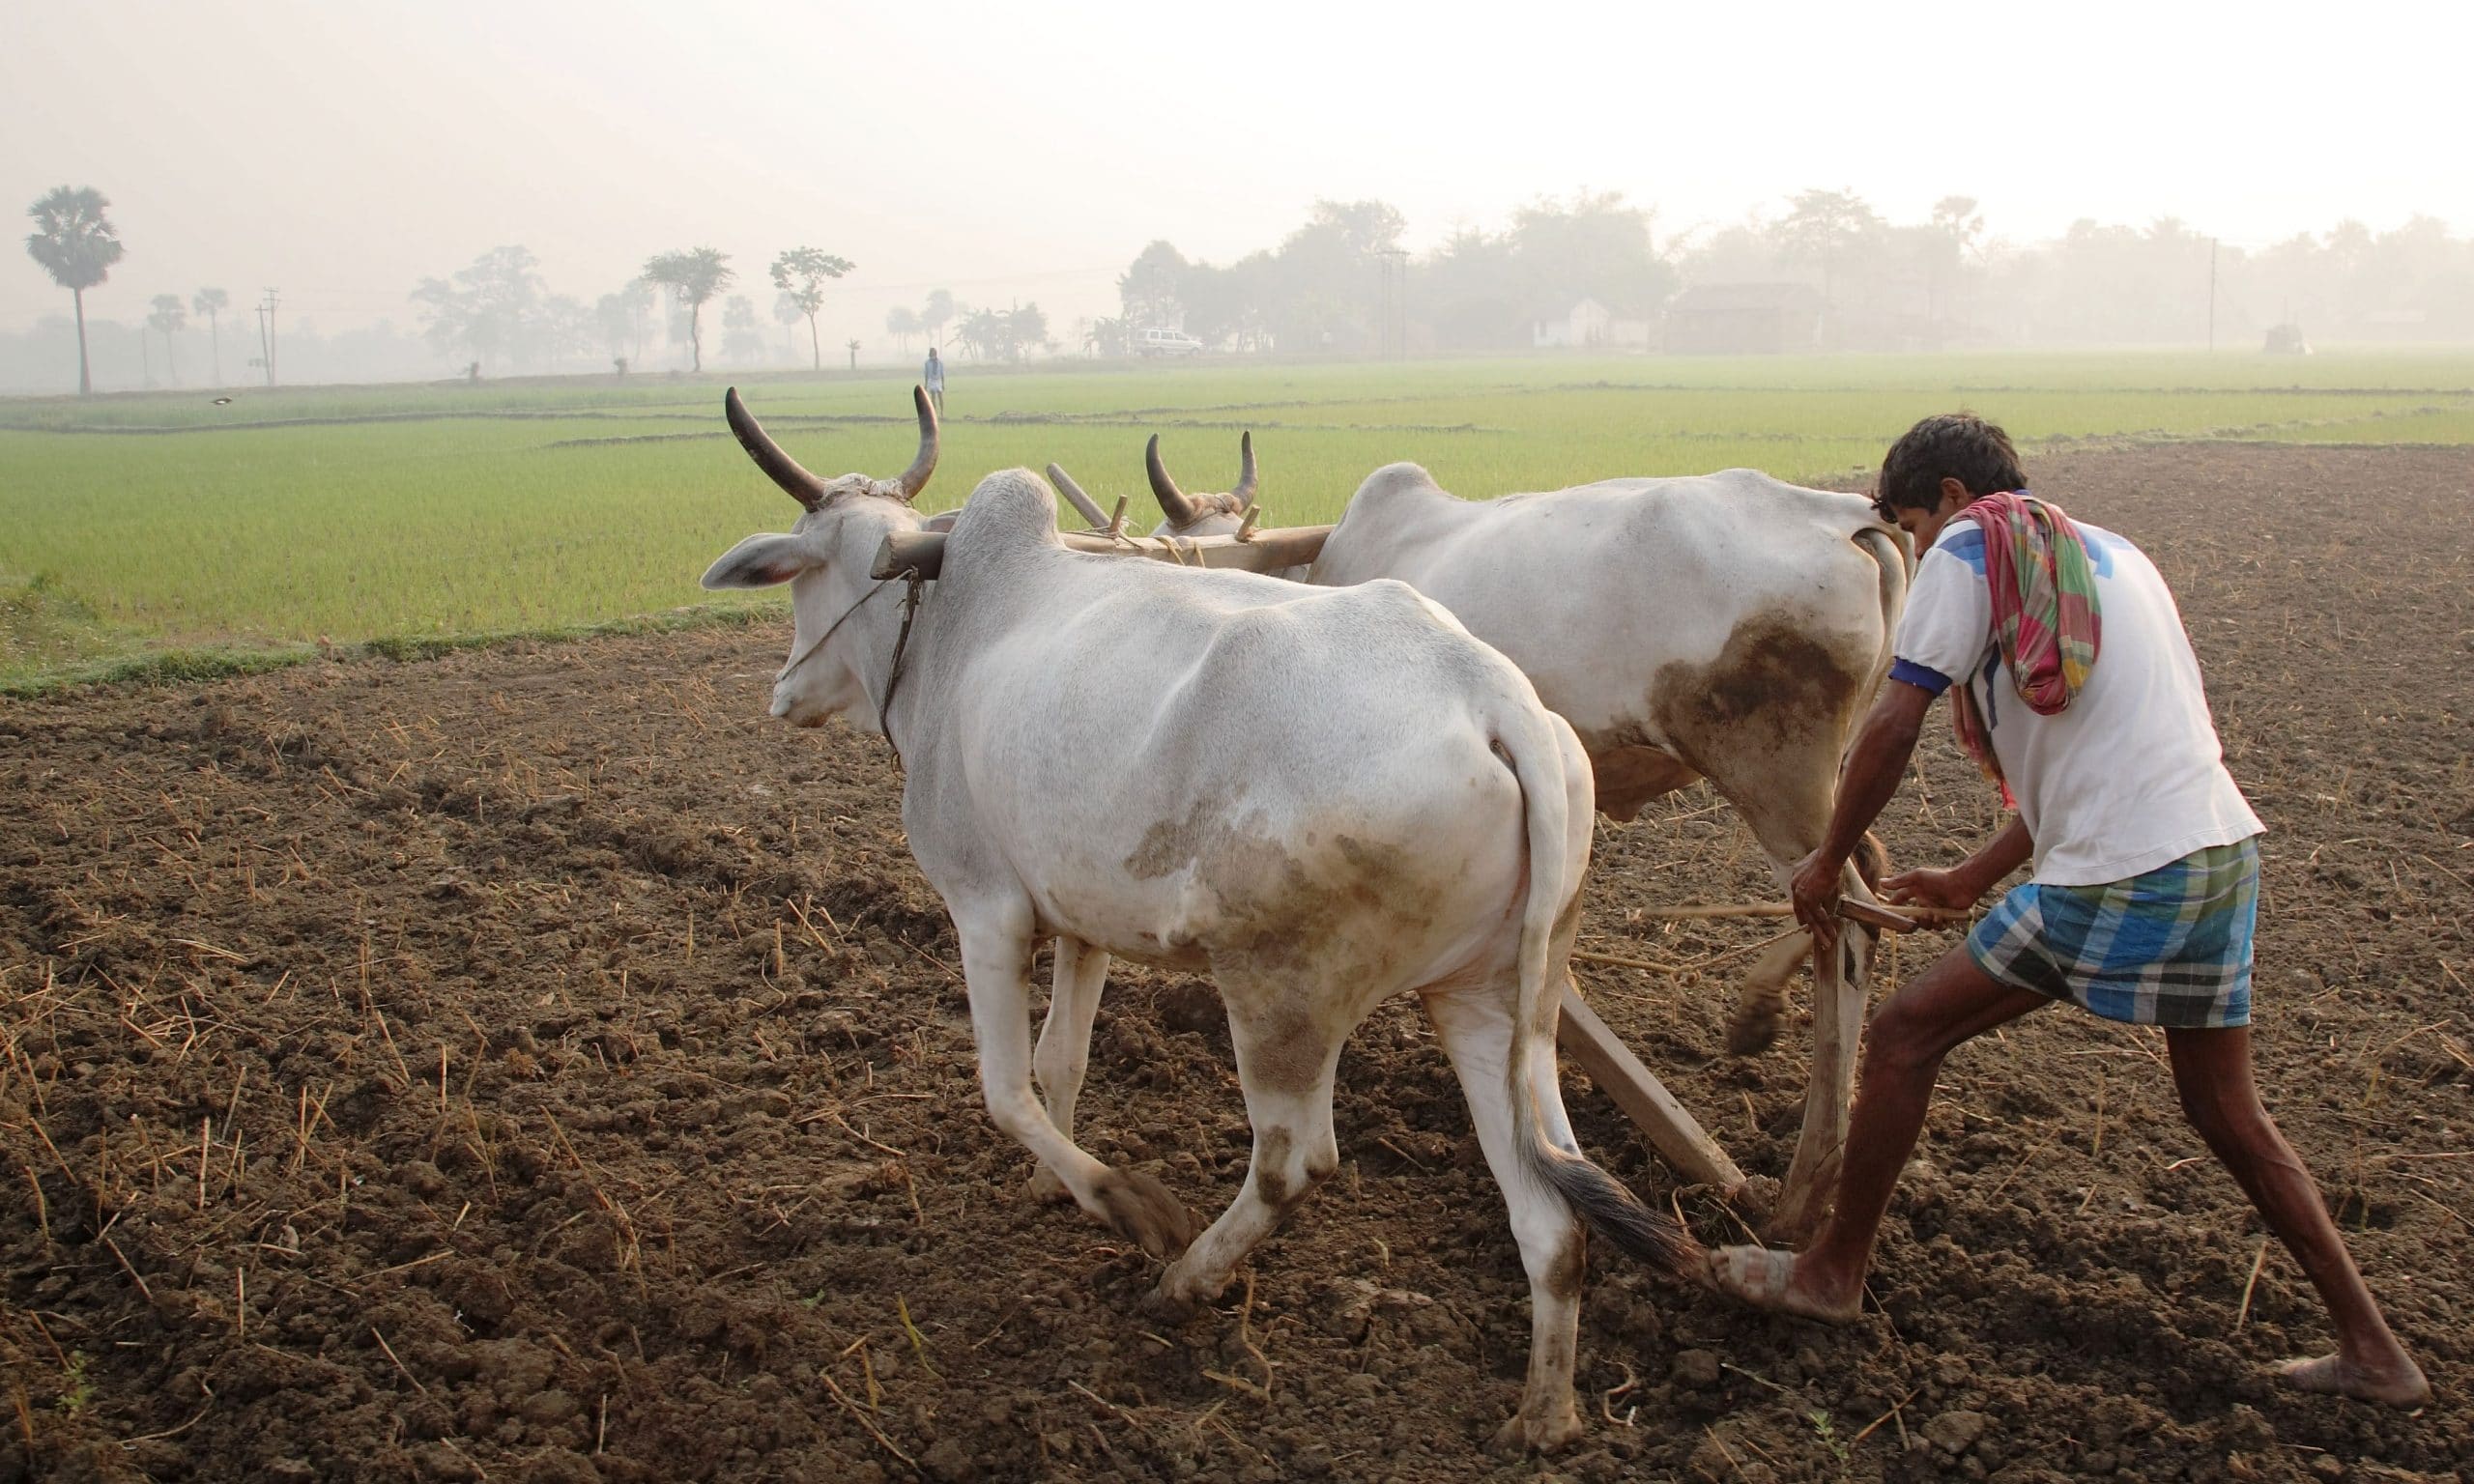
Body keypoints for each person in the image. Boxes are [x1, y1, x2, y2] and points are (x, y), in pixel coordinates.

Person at [1710, 413, 2429, 1408]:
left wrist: (1827, 856)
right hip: (2214, 853)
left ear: (1952, 497)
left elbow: (1895, 713)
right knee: (2228, 1114)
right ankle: (2375, 1352)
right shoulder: (2112, 556)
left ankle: (1830, 1273)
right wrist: (1969, 876)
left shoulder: (1973, 544)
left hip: (2120, 875)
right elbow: (2109, 751)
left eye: (1912, 525)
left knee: (1907, 1035)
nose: (1918, 549)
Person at [923, 346, 945, 417]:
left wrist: (943, 384)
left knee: (940, 397)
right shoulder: (927, 363)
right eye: (932, 353)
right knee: (933, 397)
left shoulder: (940, 362)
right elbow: (926, 374)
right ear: (930, 354)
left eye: (934, 353)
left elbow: (942, 374)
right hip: (931, 381)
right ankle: (934, 413)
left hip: (938, 380)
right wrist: (925, 385)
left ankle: (942, 412)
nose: (933, 355)